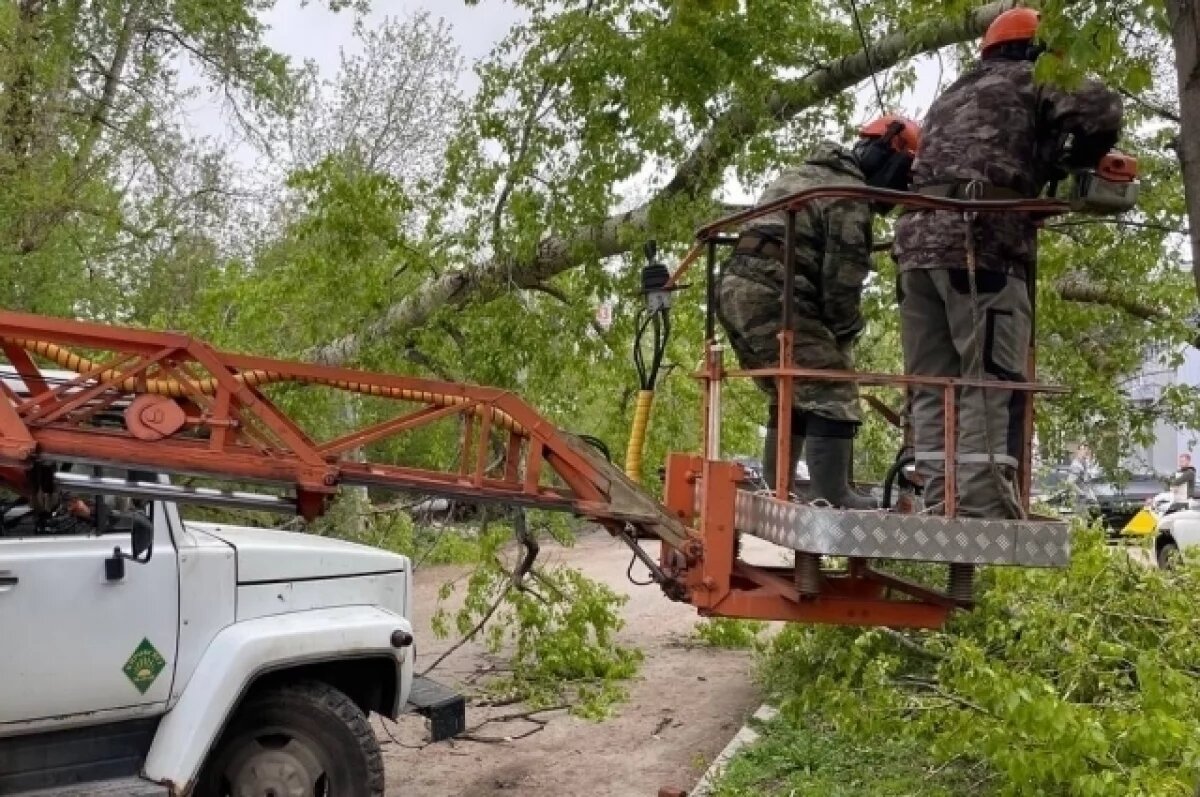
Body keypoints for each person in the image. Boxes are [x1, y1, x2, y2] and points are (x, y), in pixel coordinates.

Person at [893, 8, 1123, 518]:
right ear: (1038, 51)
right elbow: (1102, 110)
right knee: (986, 378)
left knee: (933, 385)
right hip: (983, 247)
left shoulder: (953, 93)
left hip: (916, 249)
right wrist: (1078, 159)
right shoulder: (1033, 78)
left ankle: (938, 501)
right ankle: (978, 507)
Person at [715, 115, 921, 509]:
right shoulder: (849, 196)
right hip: (774, 295)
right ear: (891, 160)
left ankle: (780, 486)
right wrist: (844, 335)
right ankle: (833, 495)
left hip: (734, 288)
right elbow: (841, 284)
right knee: (831, 385)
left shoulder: (804, 174)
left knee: (793, 388)